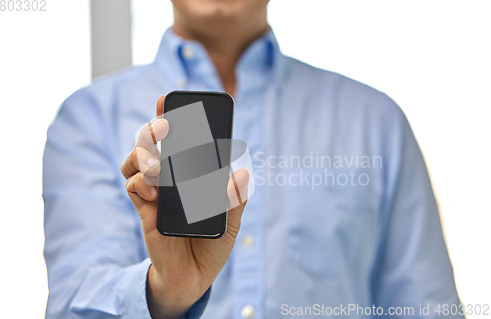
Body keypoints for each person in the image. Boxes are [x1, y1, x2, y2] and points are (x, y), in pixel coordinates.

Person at [43, 0, 462, 318]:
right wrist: (167, 291)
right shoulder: (88, 119)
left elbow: (427, 306)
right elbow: (74, 302)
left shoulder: (377, 121)